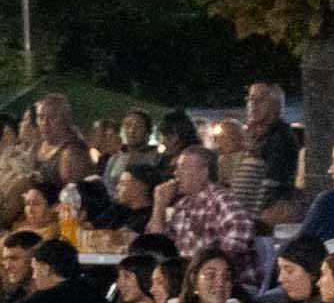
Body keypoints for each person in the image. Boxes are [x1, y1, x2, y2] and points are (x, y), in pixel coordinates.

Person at [148, 145, 254, 278]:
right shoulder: (181, 206)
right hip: (186, 280)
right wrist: (159, 206)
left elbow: (240, 235)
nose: (176, 173)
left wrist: (203, 263)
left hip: (226, 282)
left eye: (183, 167)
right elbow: (157, 248)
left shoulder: (221, 199)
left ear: (204, 173)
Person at [244, 82, 300, 204]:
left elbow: (272, 184)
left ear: (276, 105)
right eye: (251, 99)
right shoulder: (254, 136)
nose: (253, 104)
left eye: (260, 99)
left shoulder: (282, 138)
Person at [207, 119, 269, 218]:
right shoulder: (219, 159)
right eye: (221, 137)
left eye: (230, 135)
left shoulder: (250, 159)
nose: (223, 140)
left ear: (241, 137)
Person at [103, 110, 157, 189]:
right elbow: (106, 186)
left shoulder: (156, 158)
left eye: (138, 127)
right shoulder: (115, 158)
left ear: (148, 131)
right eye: (128, 126)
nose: (131, 131)